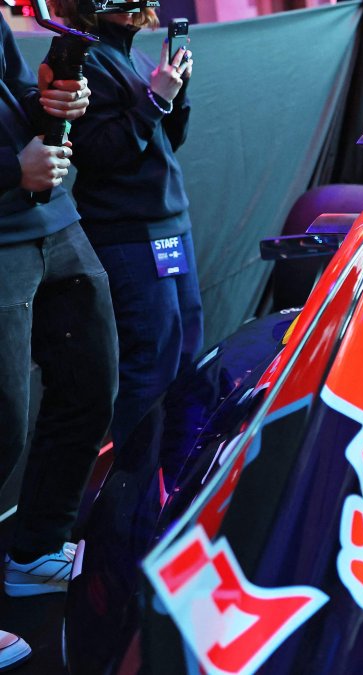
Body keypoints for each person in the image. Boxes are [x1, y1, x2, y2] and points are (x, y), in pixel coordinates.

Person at [0, 11, 116, 671]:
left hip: (50, 218)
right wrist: (10, 166)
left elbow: (15, 91)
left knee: (90, 382)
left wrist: (50, 98)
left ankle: (35, 549)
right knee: (2, 427)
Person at [55, 2, 201, 452]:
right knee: (151, 365)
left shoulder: (133, 56)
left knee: (184, 355)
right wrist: (155, 99)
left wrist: (174, 96)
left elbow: (163, 143)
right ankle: (132, 506)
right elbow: (98, 155)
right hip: (129, 234)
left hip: (169, 225)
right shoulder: (80, 58)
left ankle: (176, 488)